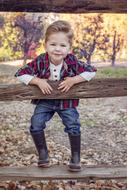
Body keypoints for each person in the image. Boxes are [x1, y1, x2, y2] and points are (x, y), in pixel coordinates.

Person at [15, 20, 96, 172]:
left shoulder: (71, 61)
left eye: (62, 45)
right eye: (53, 44)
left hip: (66, 101)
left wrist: (74, 80)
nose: (57, 49)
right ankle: (43, 154)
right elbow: (20, 73)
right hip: (45, 101)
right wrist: (37, 81)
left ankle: (75, 157)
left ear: (69, 48)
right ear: (45, 45)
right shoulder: (41, 60)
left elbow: (91, 71)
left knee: (73, 125)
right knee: (36, 123)